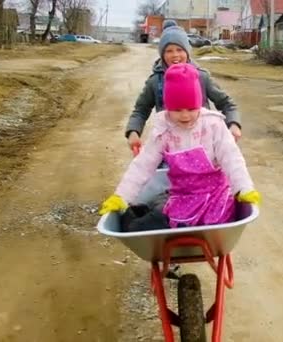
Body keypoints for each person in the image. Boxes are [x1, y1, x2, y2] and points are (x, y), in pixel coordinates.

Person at [101, 63, 259, 227]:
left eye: (191, 108)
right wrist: (122, 196)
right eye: (177, 109)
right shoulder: (163, 130)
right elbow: (143, 164)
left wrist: (244, 188)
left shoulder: (212, 124)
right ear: (168, 107)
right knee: (171, 224)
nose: (185, 115)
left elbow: (231, 157)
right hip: (184, 196)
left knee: (214, 222)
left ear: (199, 104)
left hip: (215, 195)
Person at [126, 20, 243, 152]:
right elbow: (141, 110)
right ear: (162, 54)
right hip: (170, 148)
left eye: (180, 49)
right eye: (169, 51)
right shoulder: (155, 81)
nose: (175, 55)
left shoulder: (201, 77)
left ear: (187, 52)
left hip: (204, 147)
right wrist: (133, 132)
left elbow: (227, 103)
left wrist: (234, 124)